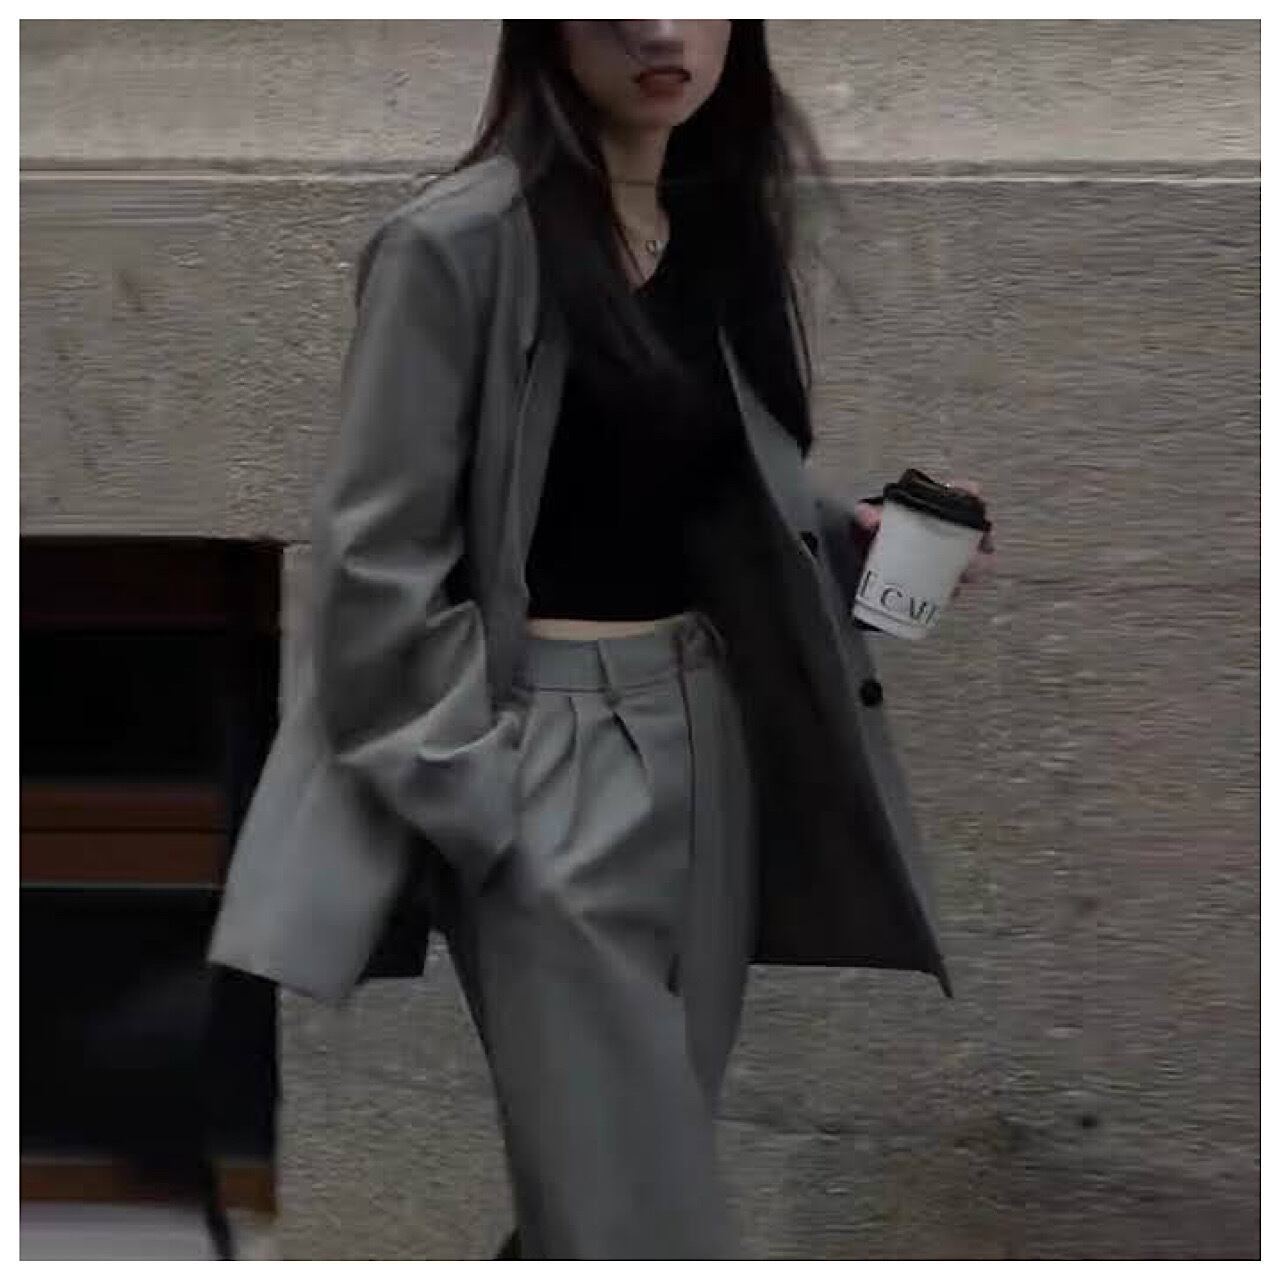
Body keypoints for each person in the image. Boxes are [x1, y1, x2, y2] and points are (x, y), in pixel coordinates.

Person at [208, 18, 994, 1261]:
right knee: (636, 1212)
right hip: (542, 749)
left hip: (706, 737)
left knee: (613, 1190)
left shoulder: (712, 221)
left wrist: (845, 538)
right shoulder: (453, 244)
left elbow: (680, 480)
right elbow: (373, 560)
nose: (657, 28)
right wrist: (477, 790)